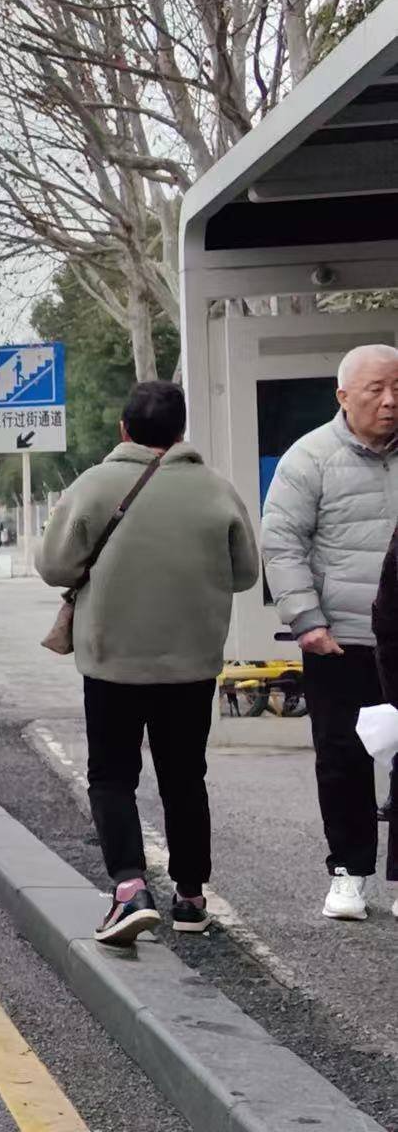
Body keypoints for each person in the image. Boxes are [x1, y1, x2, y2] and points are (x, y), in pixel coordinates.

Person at [41, 382, 258, 946]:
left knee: (112, 776)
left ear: (124, 429)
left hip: (112, 663)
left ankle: (130, 889)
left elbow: (54, 567)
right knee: (185, 778)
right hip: (191, 666)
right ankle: (190, 897)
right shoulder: (216, 490)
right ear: (181, 430)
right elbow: (244, 574)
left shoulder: (93, 486)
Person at [261, 343, 398, 922]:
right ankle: (349, 872)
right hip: (341, 638)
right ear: (343, 396)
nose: (389, 401)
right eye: (376, 389)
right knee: (342, 757)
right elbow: (281, 543)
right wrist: (306, 621)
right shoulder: (309, 457)